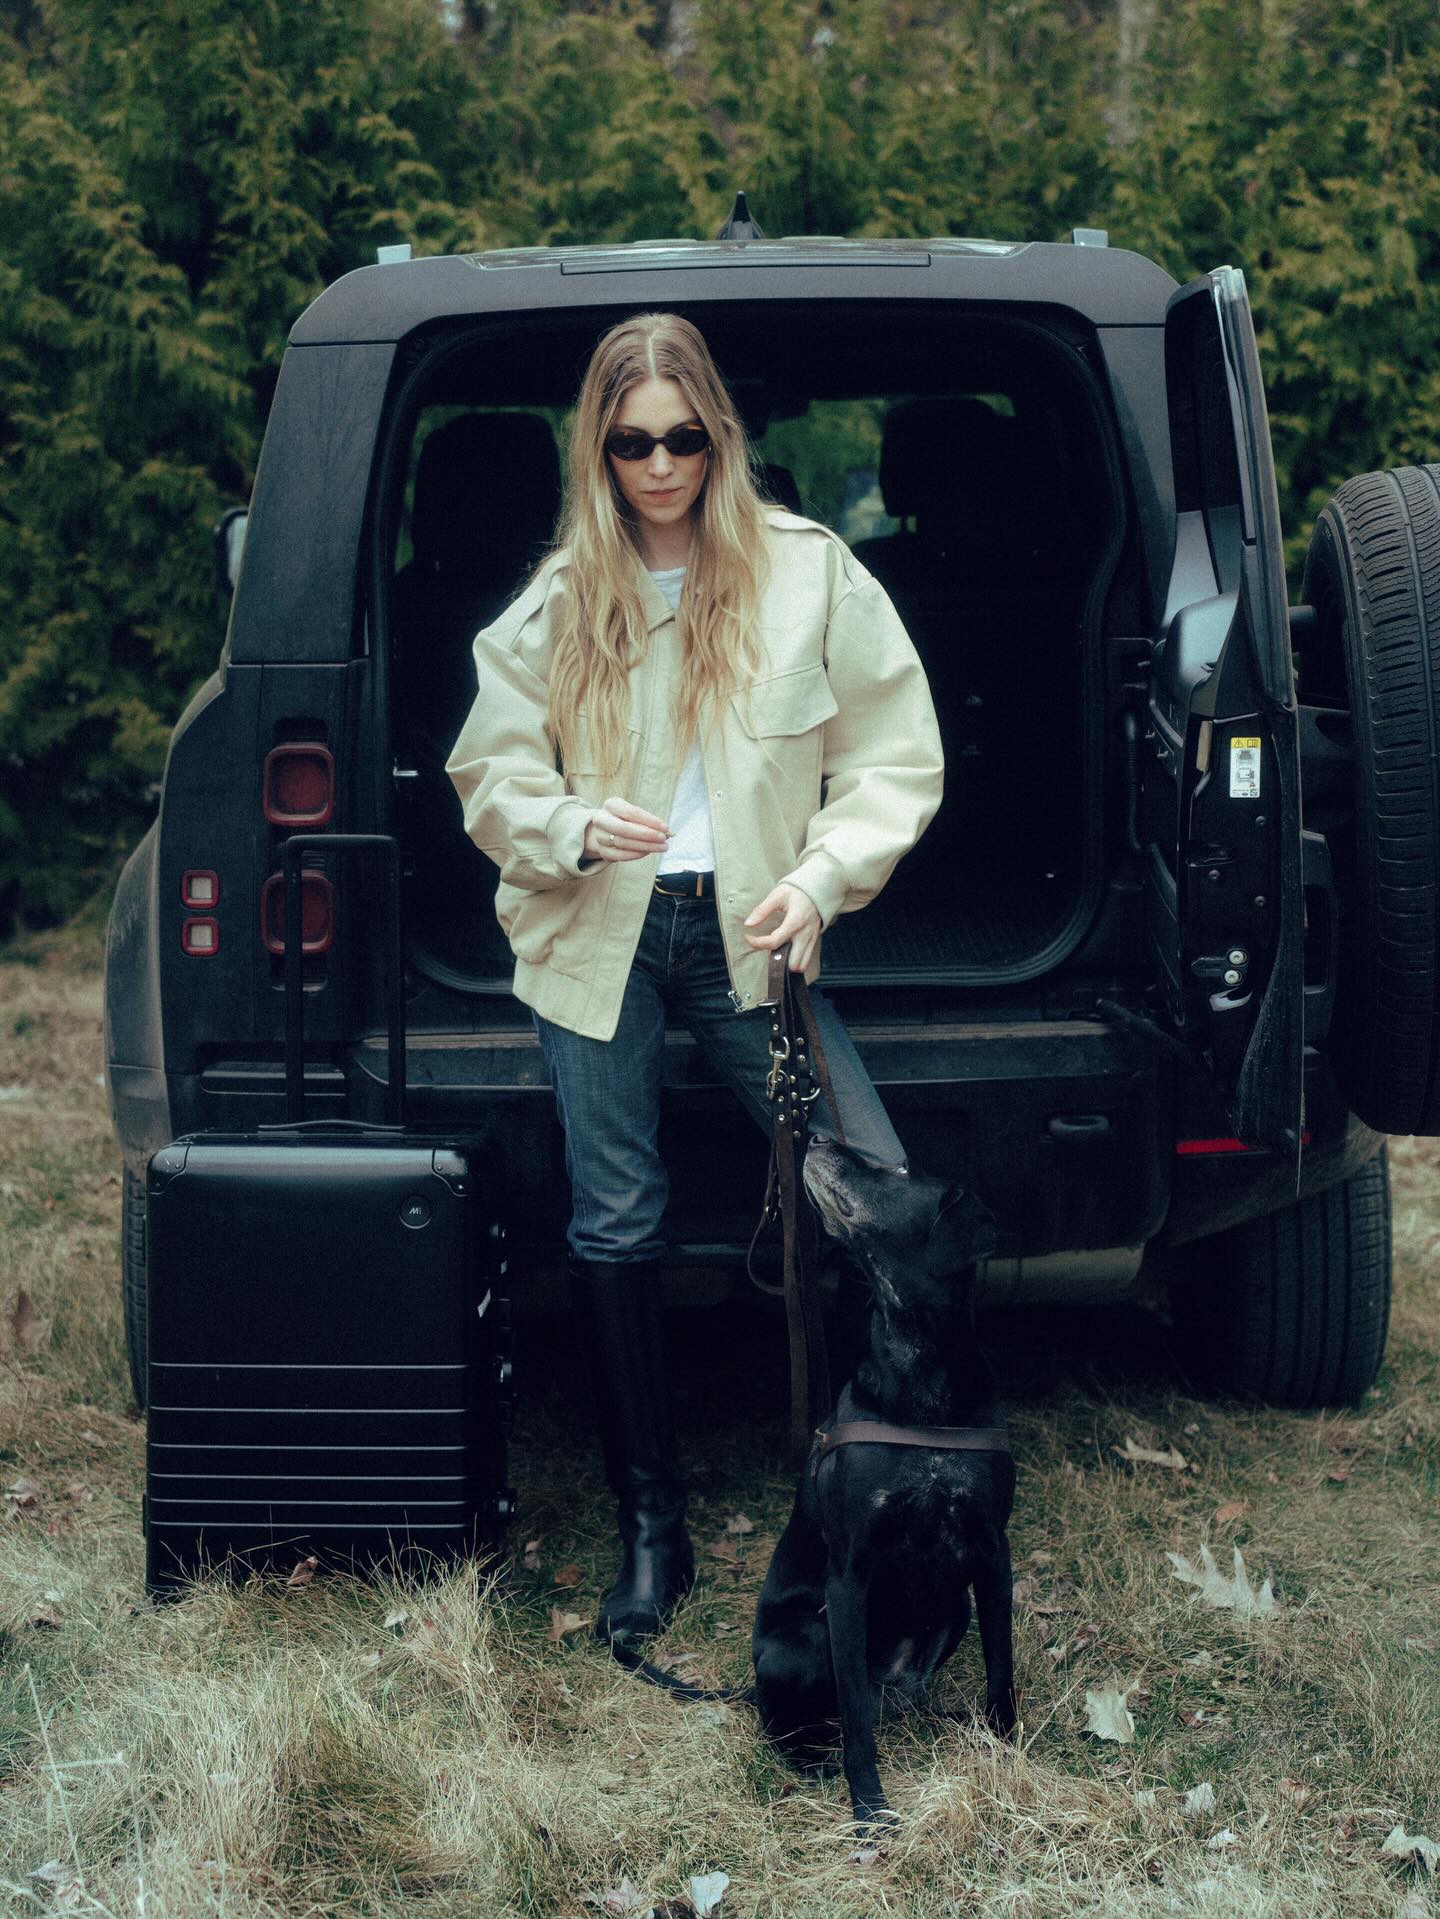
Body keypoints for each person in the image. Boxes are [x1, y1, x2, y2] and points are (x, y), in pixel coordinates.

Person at [445, 312, 943, 1649]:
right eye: (631, 444)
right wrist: (566, 823)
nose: (660, 467)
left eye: (682, 439)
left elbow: (896, 756)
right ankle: (650, 1526)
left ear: (719, 436)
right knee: (615, 1222)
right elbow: (489, 770)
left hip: (750, 936)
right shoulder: (562, 596)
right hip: (596, 934)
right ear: (598, 450)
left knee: (872, 1182)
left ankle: (873, 1486)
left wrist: (821, 880)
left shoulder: (807, 573)